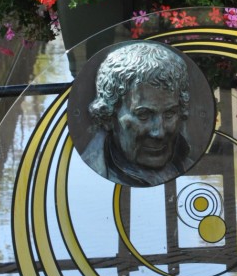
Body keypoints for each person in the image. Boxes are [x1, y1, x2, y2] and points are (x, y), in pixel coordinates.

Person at [80, 42, 191, 186]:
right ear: (107, 117)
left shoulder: (190, 168)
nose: (159, 133)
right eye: (143, 115)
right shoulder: (86, 178)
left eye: (169, 114)